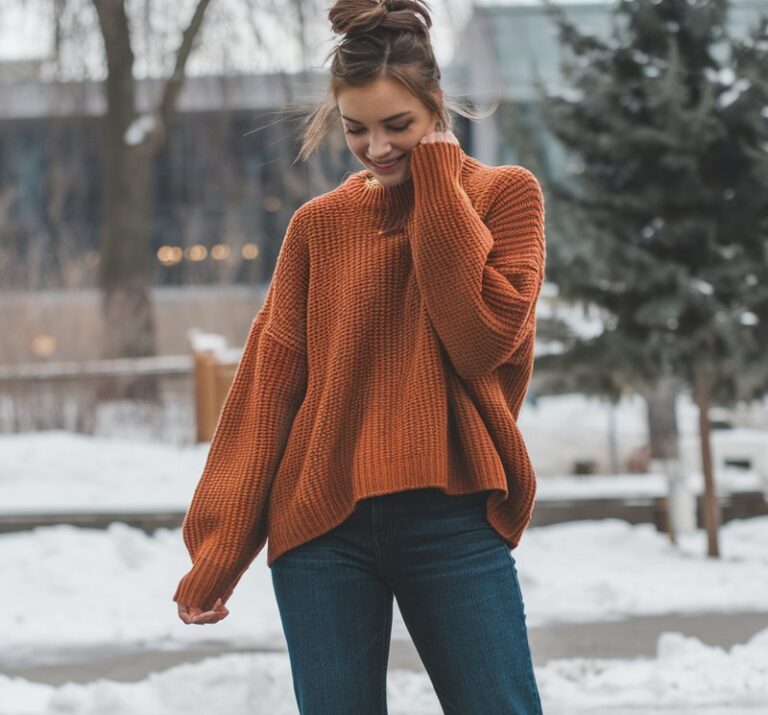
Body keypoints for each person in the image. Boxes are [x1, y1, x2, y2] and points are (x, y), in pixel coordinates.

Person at [173, 0, 546, 712]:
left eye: (398, 125)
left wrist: (436, 175)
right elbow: (268, 387)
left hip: (453, 516)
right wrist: (219, 550)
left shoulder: (504, 197)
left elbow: (479, 339)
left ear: (435, 106)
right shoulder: (319, 226)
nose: (376, 147)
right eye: (356, 129)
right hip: (320, 528)